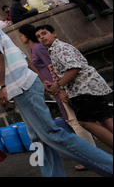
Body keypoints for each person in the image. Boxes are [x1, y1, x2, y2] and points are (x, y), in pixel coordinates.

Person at [0, 9, 113, 177]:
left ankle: (109, 165)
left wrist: (1, 87)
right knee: (38, 138)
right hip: (26, 85)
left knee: (52, 134)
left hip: (22, 86)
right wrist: (40, 79)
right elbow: (23, 57)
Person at [19, 24, 97, 171]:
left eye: (21, 35)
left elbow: (52, 67)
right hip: (57, 87)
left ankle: (90, 157)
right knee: (78, 120)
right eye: (39, 36)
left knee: (75, 120)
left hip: (60, 87)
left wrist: (60, 88)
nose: (41, 38)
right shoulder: (37, 48)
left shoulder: (38, 48)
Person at [35, 24, 113, 150]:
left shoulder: (59, 48)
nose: (41, 37)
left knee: (85, 122)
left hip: (83, 88)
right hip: (91, 86)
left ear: (54, 33)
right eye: (38, 36)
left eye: (44, 33)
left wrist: (58, 85)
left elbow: (74, 68)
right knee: (105, 118)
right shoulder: (56, 48)